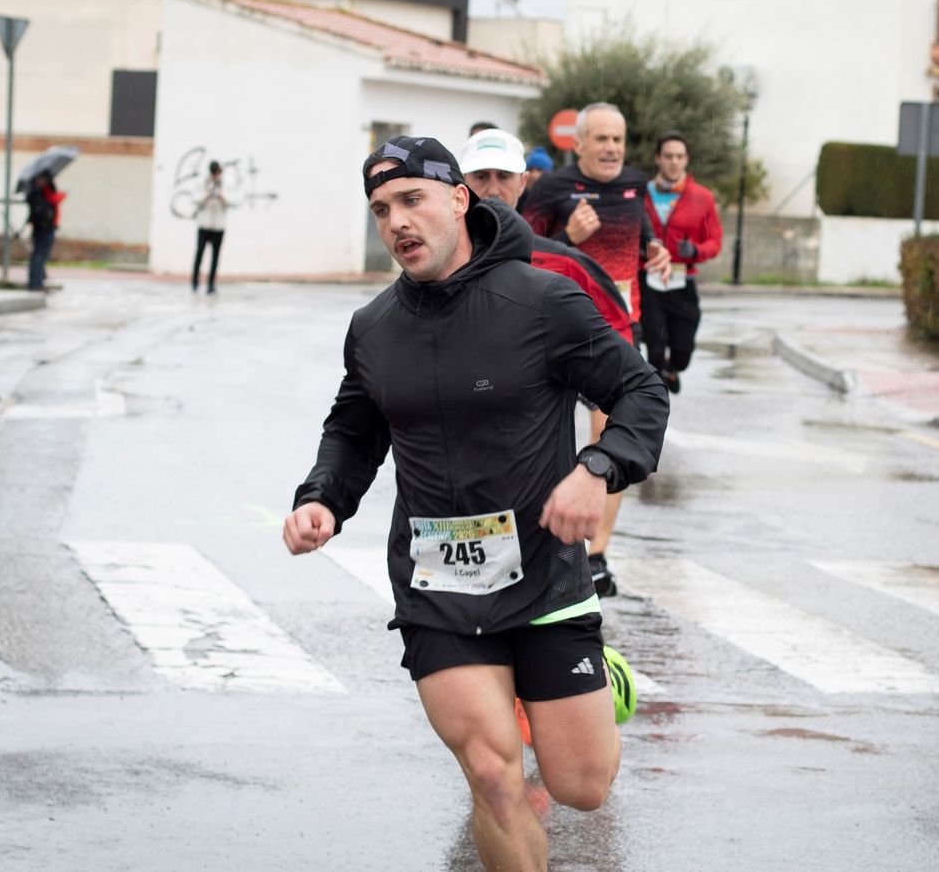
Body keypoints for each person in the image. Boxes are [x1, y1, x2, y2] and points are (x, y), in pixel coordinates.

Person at [284, 135, 668, 872]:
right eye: (381, 209)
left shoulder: (542, 301)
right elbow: (353, 430)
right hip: (439, 586)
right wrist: (323, 499)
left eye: (412, 200)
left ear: (459, 200)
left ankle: (606, 679)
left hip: (546, 575)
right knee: (493, 773)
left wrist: (597, 468)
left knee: (581, 787)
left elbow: (638, 391)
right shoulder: (374, 327)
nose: (396, 221)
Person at [522, 102, 671, 596]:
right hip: (557, 326)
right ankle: (542, 540)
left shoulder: (634, 185)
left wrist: (657, 252)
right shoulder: (550, 190)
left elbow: (643, 236)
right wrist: (571, 236)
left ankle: (597, 552)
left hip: (617, 325)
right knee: (543, 435)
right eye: (601, 139)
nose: (610, 148)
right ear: (579, 144)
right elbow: (520, 254)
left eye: (617, 140)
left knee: (613, 436)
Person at [458, 128, 630, 337]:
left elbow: (618, 330)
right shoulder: (438, 260)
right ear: (463, 183)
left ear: (522, 183)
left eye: (504, 176)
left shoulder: (567, 263)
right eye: (481, 176)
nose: (493, 189)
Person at [640, 131, 723, 394]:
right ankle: (655, 396)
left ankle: (673, 367)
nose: (674, 162)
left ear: (686, 160)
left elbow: (715, 242)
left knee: (683, 349)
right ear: (658, 159)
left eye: (679, 156)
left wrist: (695, 250)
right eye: (668, 156)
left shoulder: (702, 197)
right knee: (653, 346)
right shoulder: (641, 195)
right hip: (649, 279)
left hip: (682, 280)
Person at [192, 161, 228, 293]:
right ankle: (195, 282)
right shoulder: (202, 182)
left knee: (215, 257)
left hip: (218, 226)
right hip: (204, 224)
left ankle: (211, 284)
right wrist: (206, 195)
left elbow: (232, 201)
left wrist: (222, 196)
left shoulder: (225, 184)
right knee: (199, 254)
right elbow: (195, 199)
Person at [26, 172, 65, 291]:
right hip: (45, 227)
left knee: (39, 254)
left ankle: (37, 281)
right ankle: (36, 283)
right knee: (39, 255)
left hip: (42, 226)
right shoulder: (41, 191)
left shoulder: (35, 191)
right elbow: (53, 200)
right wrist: (61, 195)